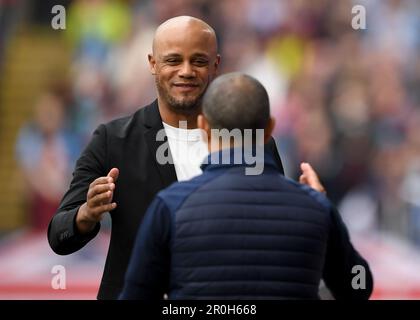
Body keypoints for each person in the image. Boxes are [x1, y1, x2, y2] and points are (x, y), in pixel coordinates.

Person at [47, 16, 287, 300]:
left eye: (198, 61)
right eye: (173, 60)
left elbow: (276, 233)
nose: (186, 71)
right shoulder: (113, 140)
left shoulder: (251, 143)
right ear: (152, 63)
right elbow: (58, 236)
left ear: (216, 65)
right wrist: (85, 215)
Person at [119, 73, 373, 300]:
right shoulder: (315, 207)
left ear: (203, 128)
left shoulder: (171, 205)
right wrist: (321, 208)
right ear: (269, 129)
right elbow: (358, 287)